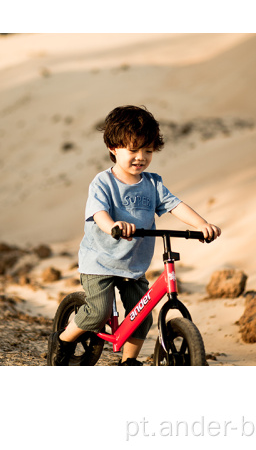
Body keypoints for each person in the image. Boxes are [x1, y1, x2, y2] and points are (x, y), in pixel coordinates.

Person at [48, 105, 221, 366]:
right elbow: (99, 214)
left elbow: (175, 205)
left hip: (132, 265)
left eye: (148, 150)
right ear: (113, 148)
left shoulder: (153, 184)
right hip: (100, 261)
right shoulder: (103, 183)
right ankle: (65, 339)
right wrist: (114, 226)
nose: (141, 157)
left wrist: (201, 224)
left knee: (143, 316)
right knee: (98, 312)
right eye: (133, 149)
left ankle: (128, 362)